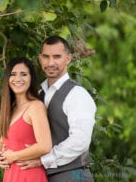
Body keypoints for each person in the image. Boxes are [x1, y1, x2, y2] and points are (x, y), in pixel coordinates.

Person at [15, 36, 97, 182]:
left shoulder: (77, 95)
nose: (50, 62)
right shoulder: (37, 95)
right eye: (46, 57)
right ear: (40, 59)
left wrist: (44, 160)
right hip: (40, 176)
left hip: (73, 176)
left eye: (57, 57)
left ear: (68, 59)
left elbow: (80, 141)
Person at [0, 57, 52, 182]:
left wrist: (14, 156)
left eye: (24, 74)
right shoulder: (11, 109)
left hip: (30, 175)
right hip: (11, 175)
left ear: (31, 78)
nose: (18, 79)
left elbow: (45, 146)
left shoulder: (35, 106)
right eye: (13, 74)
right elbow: (2, 141)